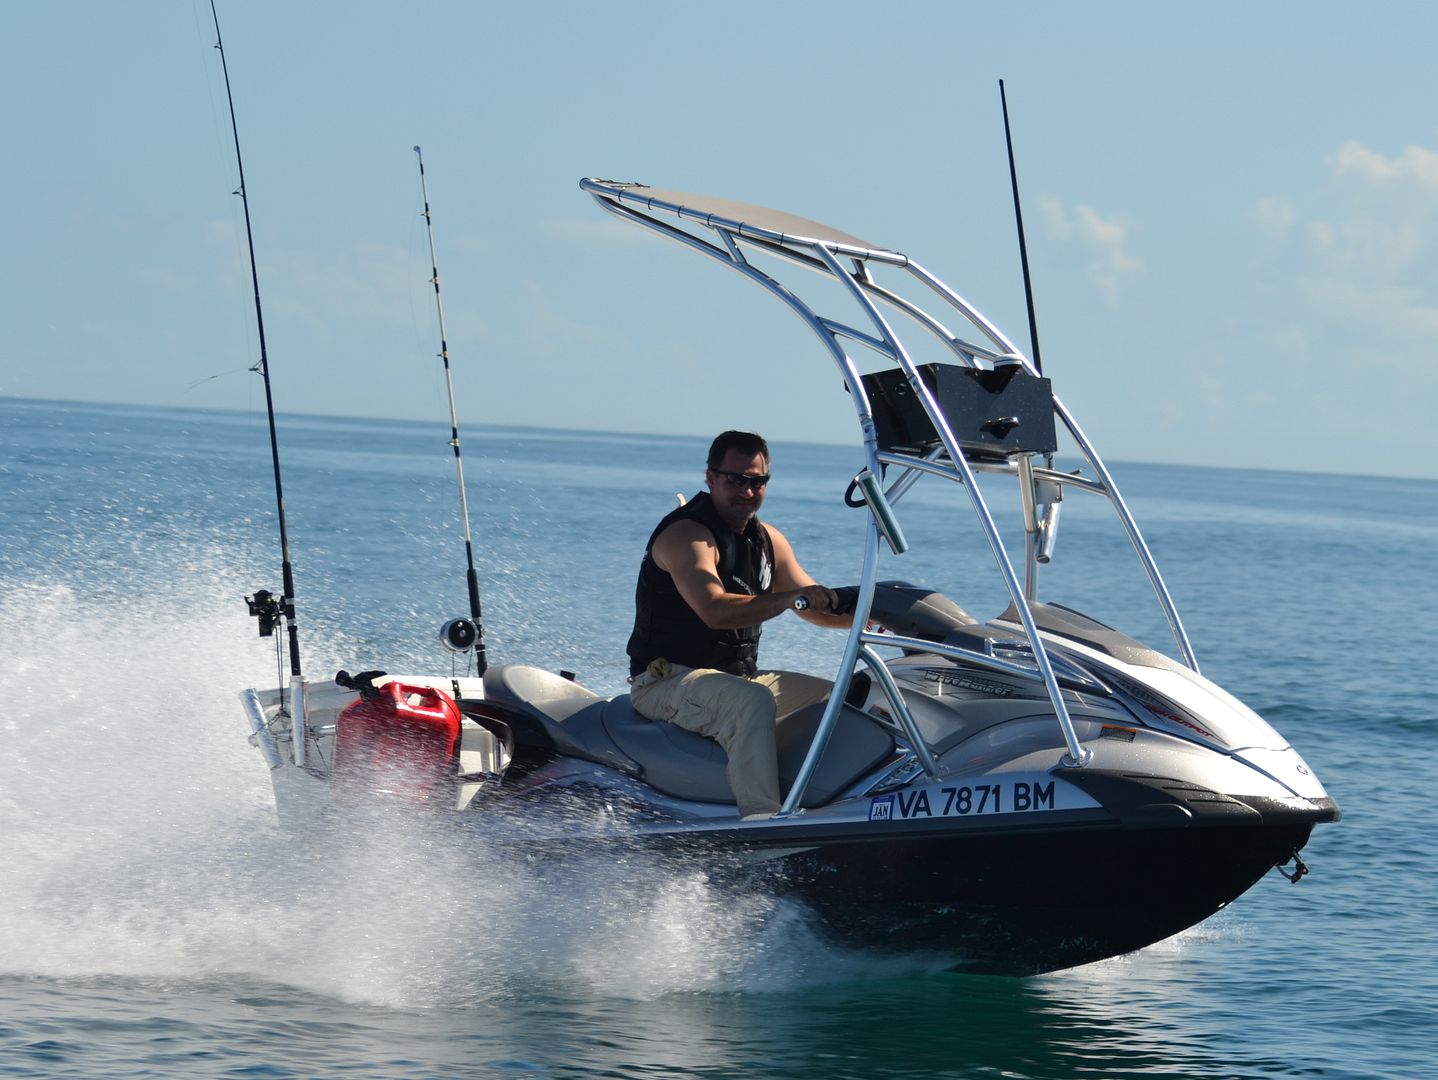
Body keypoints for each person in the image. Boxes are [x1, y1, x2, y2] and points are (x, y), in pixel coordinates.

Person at [626, 430, 850, 819]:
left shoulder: (768, 540)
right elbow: (714, 609)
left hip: (736, 678)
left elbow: (813, 608)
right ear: (711, 478)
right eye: (736, 480)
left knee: (845, 699)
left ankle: (839, 803)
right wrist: (785, 599)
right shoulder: (687, 535)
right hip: (665, 681)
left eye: (757, 482)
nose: (747, 491)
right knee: (752, 702)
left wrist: (874, 617)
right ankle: (761, 819)